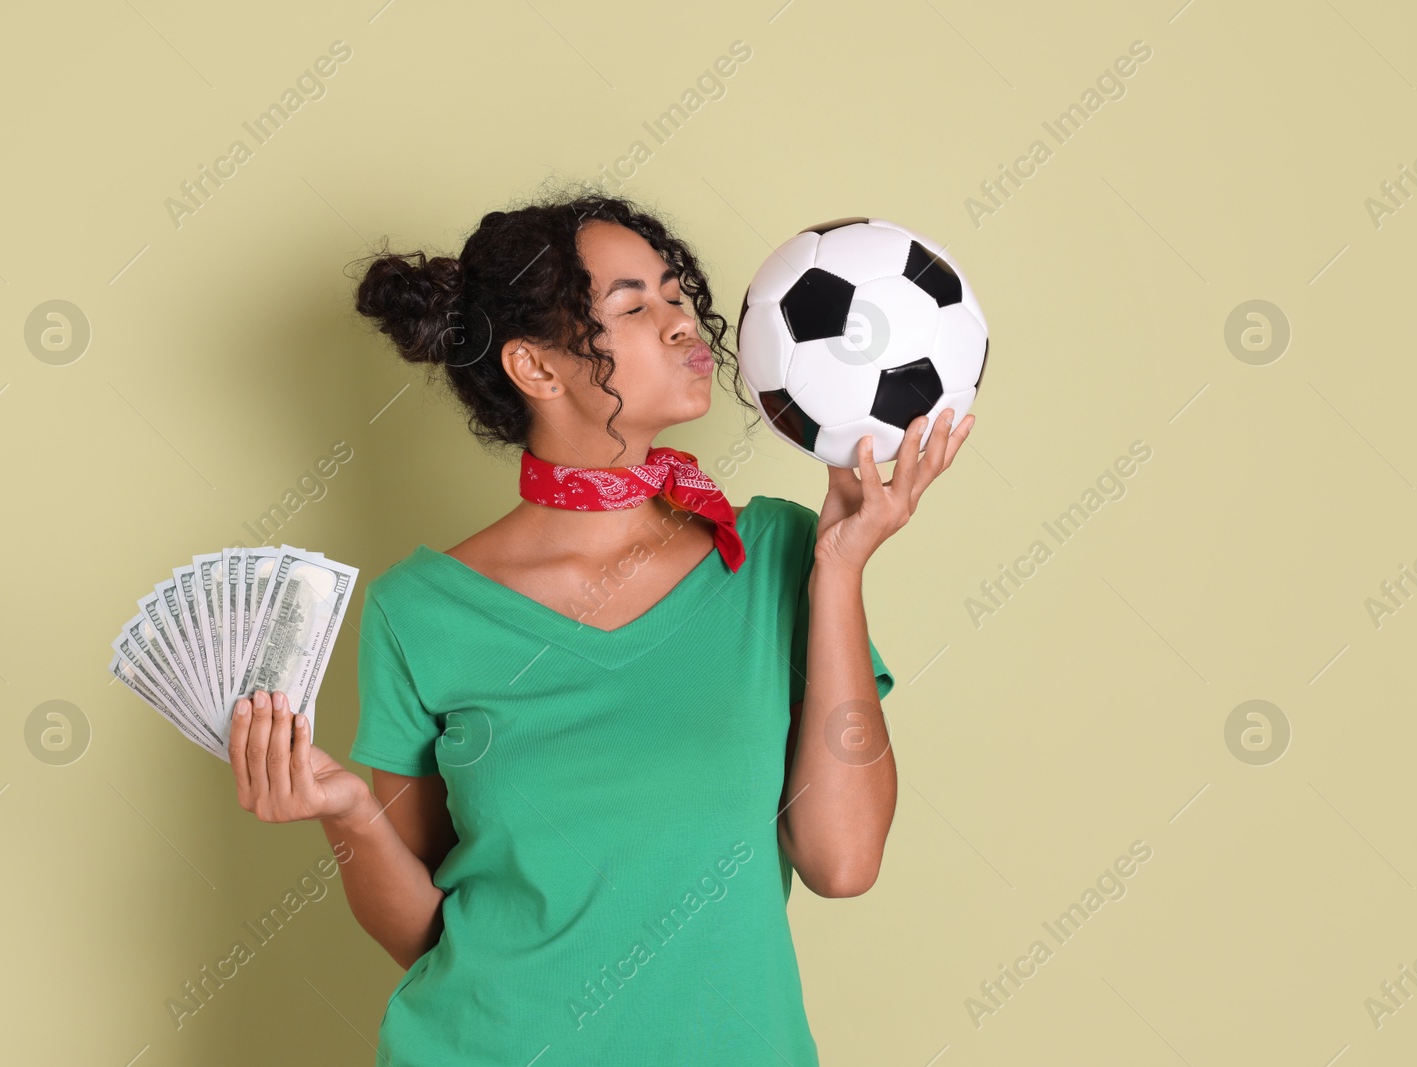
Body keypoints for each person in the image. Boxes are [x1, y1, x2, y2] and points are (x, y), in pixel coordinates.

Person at [227, 186, 973, 1065]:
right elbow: (423, 931)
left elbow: (841, 863)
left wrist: (841, 569)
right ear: (537, 370)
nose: (681, 322)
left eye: (674, 292)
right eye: (633, 304)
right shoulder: (418, 609)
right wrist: (347, 809)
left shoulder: (779, 554)